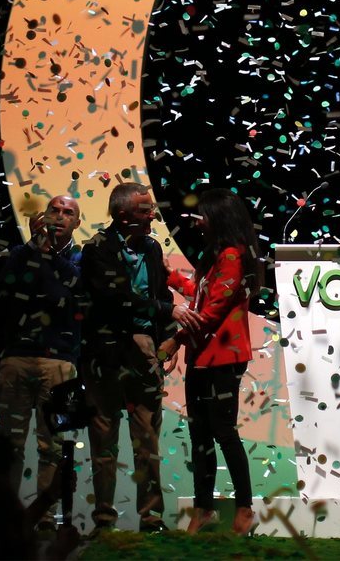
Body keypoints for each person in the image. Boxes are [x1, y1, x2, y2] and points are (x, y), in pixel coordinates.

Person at [79, 182, 177, 533]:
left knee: (147, 435)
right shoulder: (97, 250)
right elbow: (115, 298)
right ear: (122, 215)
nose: (152, 214)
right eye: (144, 209)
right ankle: (104, 519)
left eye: (151, 208)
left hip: (144, 348)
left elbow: (160, 291)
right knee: (103, 434)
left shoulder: (151, 248)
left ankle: (151, 518)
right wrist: (169, 311)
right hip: (105, 350)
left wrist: (168, 338)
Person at [175, 191, 263, 536]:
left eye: (204, 215)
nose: (199, 221)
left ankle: (244, 507)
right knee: (200, 434)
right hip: (201, 357)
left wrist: (173, 340)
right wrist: (170, 276)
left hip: (223, 357)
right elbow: (200, 294)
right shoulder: (214, 257)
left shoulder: (232, 255)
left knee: (224, 432)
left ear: (220, 217)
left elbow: (210, 314)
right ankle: (204, 508)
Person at [0, 194, 82, 522]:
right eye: (54, 210)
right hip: (16, 357)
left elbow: (71, 292)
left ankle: (44, 518)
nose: (59, 217)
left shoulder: (80, 258)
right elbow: (5, 291)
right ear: (42, 217)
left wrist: (47, 256)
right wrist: (35, 249)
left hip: (59, 361)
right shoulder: (20, 254)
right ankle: (4, 518)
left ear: (76, 223)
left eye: (67, 213)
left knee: (53, 447)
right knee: (9, 446)